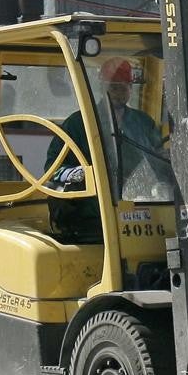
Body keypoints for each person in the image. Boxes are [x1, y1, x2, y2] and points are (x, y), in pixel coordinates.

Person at [44, 57, 162, 241]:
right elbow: (52, 170)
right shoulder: (78, 123)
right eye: (113, 87)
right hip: (91, 218)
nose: (118, 93)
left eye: (123, 87)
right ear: (101, 88)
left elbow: (161, 162)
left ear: (131, 89)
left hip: (141, 214)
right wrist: (78, 174)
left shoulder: (144, 123)